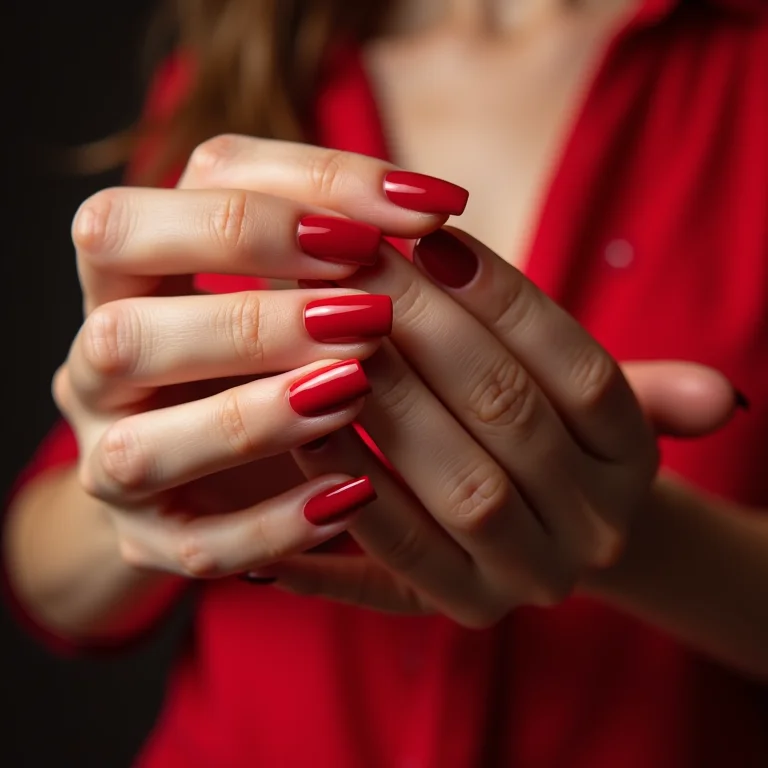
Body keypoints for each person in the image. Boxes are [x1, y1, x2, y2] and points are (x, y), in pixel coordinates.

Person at [3, 0, 768, 765]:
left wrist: (638, 539)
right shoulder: (249, 67)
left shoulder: (743, 62)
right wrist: (138, 492)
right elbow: (49, 582)